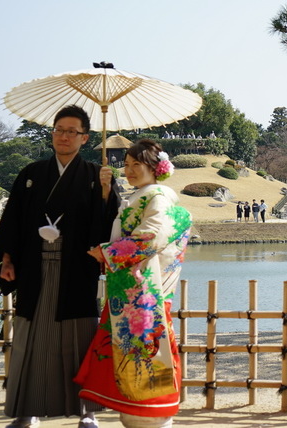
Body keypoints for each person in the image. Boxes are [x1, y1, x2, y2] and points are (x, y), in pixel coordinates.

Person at [0, 104, 120, 428]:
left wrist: (107, 193)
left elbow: (110, 227)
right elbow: (13, 221)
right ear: (52, 134)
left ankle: (87, 412)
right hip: (34, 268)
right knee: (29, 341)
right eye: (59, 130)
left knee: (79, 340)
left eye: (72, 132)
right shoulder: (31, 175)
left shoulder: (95, 176)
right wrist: (7, 259)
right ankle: (27, 411)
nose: (64, 136)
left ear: (85, 138)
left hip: (76, 270)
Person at [75, 139, 191, 428]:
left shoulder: (158, 197)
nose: (129, 170)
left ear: (156, 167)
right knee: (137, 353)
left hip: (145, 291)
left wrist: (107, 252)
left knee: (150, 351)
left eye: (136, 165)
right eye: (126, 164)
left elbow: (151, 237)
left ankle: (154, 414)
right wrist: (105, 189)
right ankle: (142, 413)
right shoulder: (143, 195)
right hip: (134, 289)